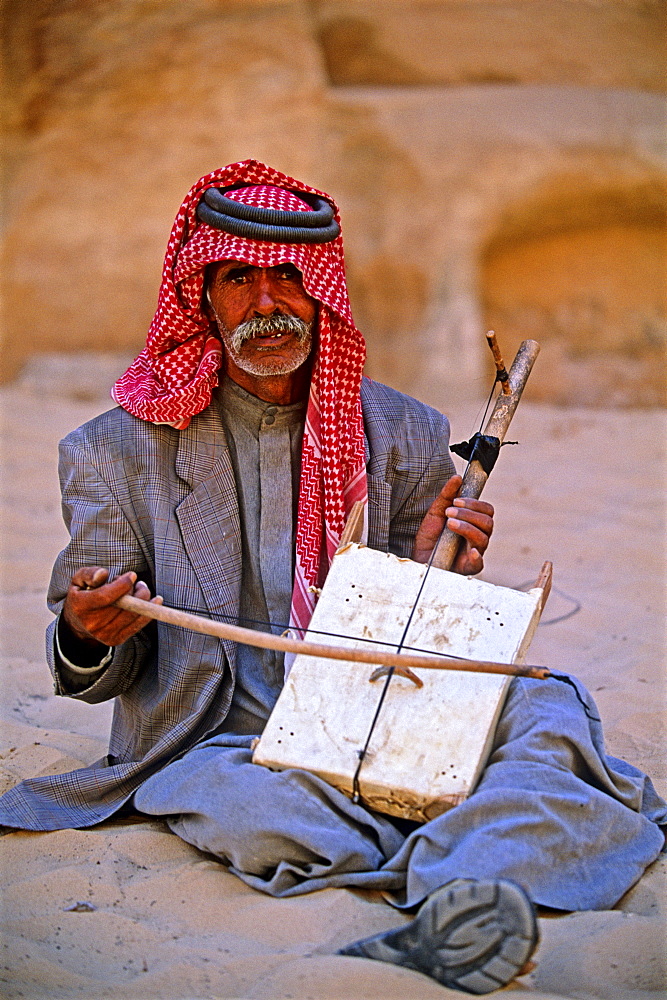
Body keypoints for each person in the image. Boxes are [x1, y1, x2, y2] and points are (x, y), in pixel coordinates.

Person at [0, 160, 664, 995]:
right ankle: (470, 876)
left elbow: (422, 629)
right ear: (202, 295)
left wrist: (433, 568)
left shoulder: (406, 430)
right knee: (253, 812)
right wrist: (87, 633)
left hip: (389, 699)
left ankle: (453, 895)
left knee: (548, 705)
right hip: (226, 735)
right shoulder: (112, 452)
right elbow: (89, 658)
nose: (268, 302)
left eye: (289, 276)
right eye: (239, 278)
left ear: (323, 291)